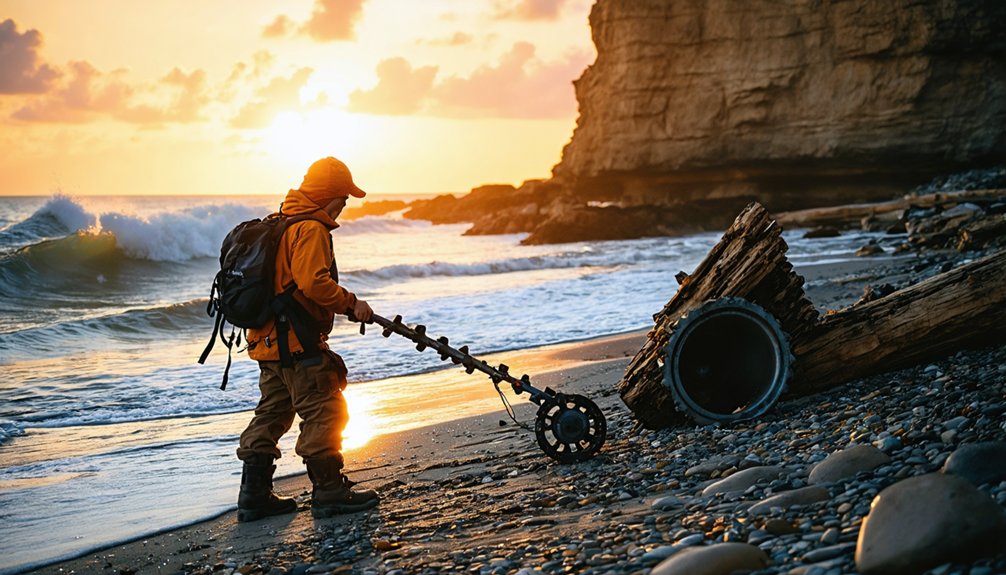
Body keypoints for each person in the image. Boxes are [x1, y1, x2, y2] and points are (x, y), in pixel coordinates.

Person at [235, 156, 379, 522]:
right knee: (325, 412)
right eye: (343, 197)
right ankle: (330, 492)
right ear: (328, 195)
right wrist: (352, 304)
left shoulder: (280, 223)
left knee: (271, 414)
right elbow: (313, 283)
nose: (344, 205)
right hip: (298, 345)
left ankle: (254, 496)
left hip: (267, 345)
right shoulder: (311, 229)